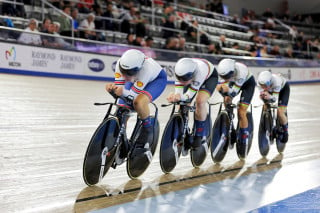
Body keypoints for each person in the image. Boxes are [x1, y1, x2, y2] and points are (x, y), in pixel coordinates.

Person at [105, 49, 167, 156]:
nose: (124, 75)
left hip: (156, 80)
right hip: (136, 79)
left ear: (138, 69)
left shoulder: (146, 69)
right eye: (123, 71)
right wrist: (113, 90)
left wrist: (122, 91)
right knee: (121, 108)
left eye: (128, 73)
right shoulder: (120, 64)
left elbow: (133, 97)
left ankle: (147, 130)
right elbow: (120, 91)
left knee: (139, 103)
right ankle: (118, 138)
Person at [167, 58, 218, 148]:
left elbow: (188, 96)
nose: (182, 81)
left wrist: (179, 97)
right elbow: (179, 93)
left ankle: (200, 133)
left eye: (184, 79)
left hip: (209, 77)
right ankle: (184, 130)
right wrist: (175, 97)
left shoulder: (200, 73)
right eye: (180, 79)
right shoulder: (180, 71)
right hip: (193, 76)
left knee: (200, 101)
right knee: (182, 104)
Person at [216, 58, 256, 145]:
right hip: (234, 82)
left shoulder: (241, 71)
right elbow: (221, 88)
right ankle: (230, 121)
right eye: (224, 77)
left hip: (248, 84)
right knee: (226, 100)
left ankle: (244, 137)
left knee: (241, 111)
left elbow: (233, 93)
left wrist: (226, 90)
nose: (225, 78)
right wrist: (221, 90)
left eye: (227, 77)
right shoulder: (222, 71)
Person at [257, 71, 290, 143]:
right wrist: (263, 96)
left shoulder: (276, 82)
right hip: (271, 90)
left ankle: (285, 131)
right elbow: (263, 95)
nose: (262, 86)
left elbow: (274, 99)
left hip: (283, 89)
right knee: (266, 104)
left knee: (280, 112)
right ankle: (268, 122)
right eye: (261, 85)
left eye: (264, 85)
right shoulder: (260, 83)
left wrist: (269, 96)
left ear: (269, 82)